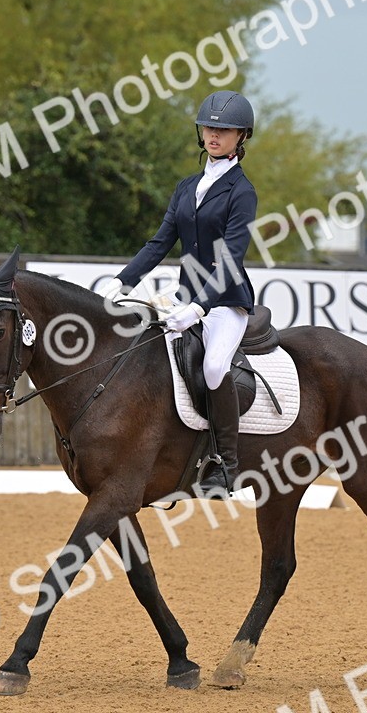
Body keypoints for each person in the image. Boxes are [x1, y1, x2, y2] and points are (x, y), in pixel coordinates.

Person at [99, 90, 258, 494]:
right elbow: (159, 243)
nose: (214, 136)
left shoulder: (242, 191)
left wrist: (200, 308)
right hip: (184, 297)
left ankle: (227, 465)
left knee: (214, 368)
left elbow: (232, 258)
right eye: (209, 127)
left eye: (224, 130)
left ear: (242, 136)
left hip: (224, 302)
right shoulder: (187, 187)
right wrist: (124, 280)